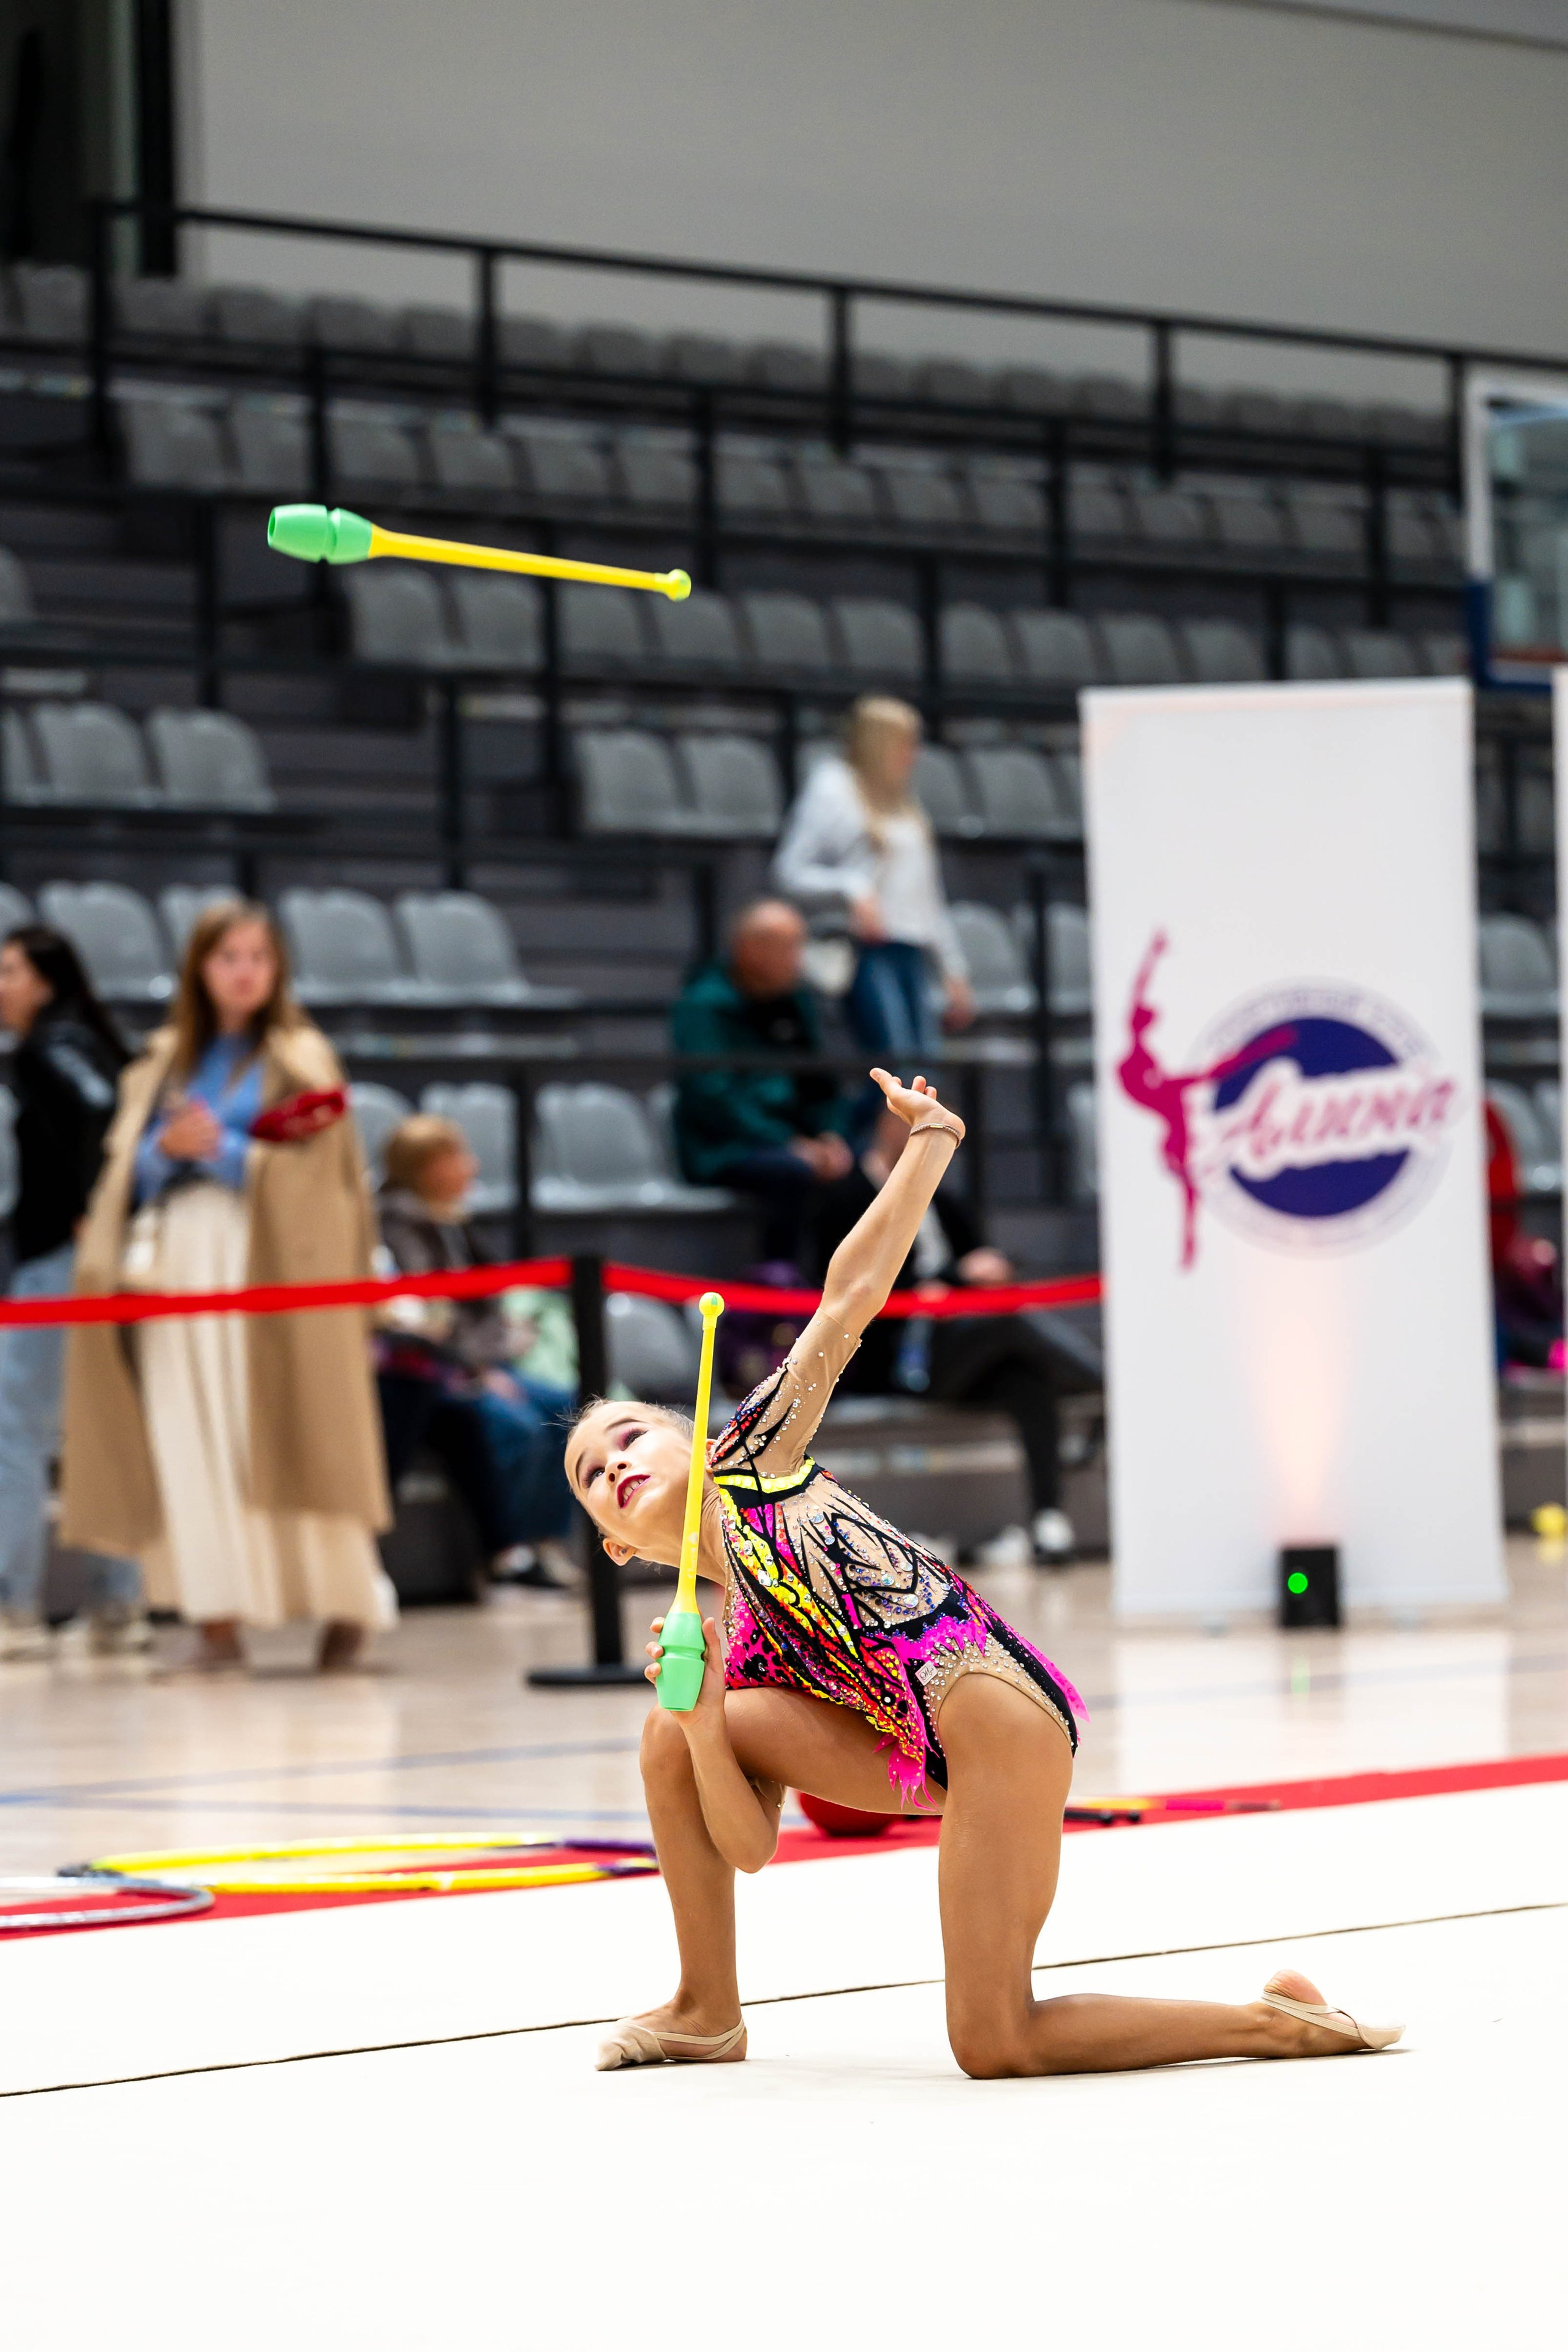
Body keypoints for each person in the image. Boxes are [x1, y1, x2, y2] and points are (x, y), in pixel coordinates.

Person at [568, 1065, 1403, 2079]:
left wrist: (928, 1146)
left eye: (626, 1439)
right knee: (664, 1727)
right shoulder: (735, 1641)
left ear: (689, 1439)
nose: (614, 1464)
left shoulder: (752, 1456)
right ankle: (707, 2009)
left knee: (996, 2040)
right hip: (906, 1749)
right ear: (616, 1547)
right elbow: (747, 1849)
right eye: (591, 1475)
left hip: (995, 1721)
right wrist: (700, 1721)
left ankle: (1271, 2020)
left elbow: (849, 1299)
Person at [59, 900, 393, 1672]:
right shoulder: (164, 1057)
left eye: (258, 957)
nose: (243, 971)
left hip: (273, 1264)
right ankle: (215, 1620)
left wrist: (224, 1152)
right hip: (178, 1265)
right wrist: (164, 1152)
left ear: (277, 970)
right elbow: (125, 1174)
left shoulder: (303, 1054)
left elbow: (328, 1183)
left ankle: (345, 1607)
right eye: (227, 956)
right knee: (189, 1435)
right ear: (200, 969)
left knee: (289, 1427)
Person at [809, 1100, 1079, 1563]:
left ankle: (1048, 1521)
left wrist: (989, 1269)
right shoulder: (846, 1200)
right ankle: (1096, 1381)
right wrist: (950, 1280)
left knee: (1026, 1384)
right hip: (896, 1356)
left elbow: (974, 1258)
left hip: (962, 1347)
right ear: (884, 1125)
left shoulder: (943, 1198)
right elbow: (840, 1288)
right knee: (1009, 1328)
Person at [0, 926, 143, 1658]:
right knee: (99, 1422)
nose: (0, 985)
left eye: (10, 971)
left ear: (46, 981)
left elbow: (92, 1109)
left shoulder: (46, 1048)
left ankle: (10, 1607)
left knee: (12, 1427)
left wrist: (91, 1204)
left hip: (61, 1262)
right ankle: (119, 1604)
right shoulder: (84, 1037)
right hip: (83, 1258)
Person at [375, 1114, 575, 1589]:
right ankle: (512, 1554)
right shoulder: (398, 1225)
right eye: (455, 1157)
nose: (471, 1166)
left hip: (489, 1361)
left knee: (570, 1410)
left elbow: (483, 1305)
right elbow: (428, 1320)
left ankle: (547, 1542)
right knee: (519, 1425)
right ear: (424, 1167)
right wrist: (480, 1368)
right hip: (438, 1372)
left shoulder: (455, 1219)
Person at [774, 697, 974, 1071]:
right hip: (867, 950)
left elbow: (928, 896)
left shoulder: (905, 803)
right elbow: (790, 870)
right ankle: (852, 1132)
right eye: (905, 743)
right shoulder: (834, 787)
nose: (913, 755)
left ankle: (872, 1132)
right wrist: (851, 889)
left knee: (922, 1073)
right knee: (892, 1073)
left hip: (911, 950)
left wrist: (954, 970)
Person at [671, 899, 852, 1266]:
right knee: (792, 1172)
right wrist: (788, 1143)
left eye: (800, 946)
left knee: (858, 1169)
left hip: (796, 1140)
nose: (798, 959)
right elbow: (713, 1095)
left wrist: (830, 1135)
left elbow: (820, 1084)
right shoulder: (704, 1005)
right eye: (787, 948)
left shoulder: (795, 1001)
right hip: (725, 1145)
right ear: (748, 951)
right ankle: (779, 1292)